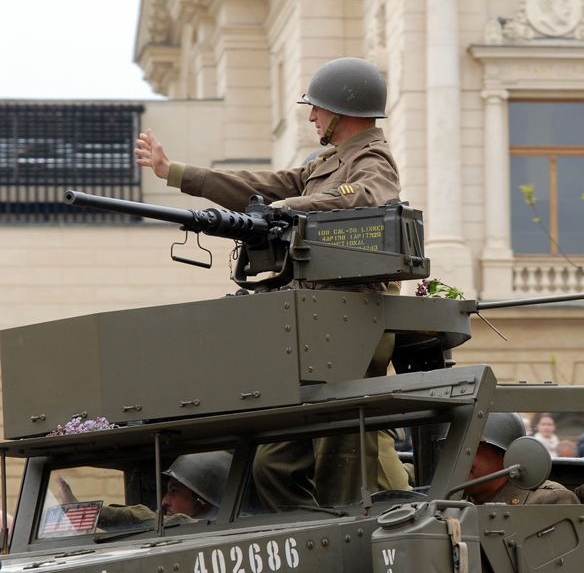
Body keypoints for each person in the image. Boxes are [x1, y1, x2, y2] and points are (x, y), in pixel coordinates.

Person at [134, 57, 409, 509]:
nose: (311, 116)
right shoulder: (326, 163)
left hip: (351, 322)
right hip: (318, 322)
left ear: (343, 110)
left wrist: (289, 208)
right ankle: (308, 534)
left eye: (318, 108)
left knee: (340, 457)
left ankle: (337, 538)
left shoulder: (371, 159)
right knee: (273, 466)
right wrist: (177, 173)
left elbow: (368, 197)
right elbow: (260, 186)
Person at [55, 451, 232, 528]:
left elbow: (177, 524)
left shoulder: (229, 527)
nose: (164, 501)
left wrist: (86, 513)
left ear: (203, 499)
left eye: (174, 491)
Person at [463, 413, 579, 506]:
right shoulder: (452, 502)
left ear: (507, 454)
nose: (462, 454)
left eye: (474, 444)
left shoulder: (549, 501)